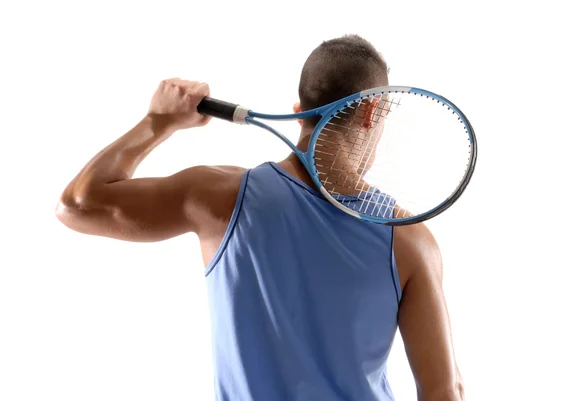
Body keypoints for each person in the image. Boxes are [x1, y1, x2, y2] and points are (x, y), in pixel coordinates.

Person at [56, 35, 464, 401]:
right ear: (373, 111)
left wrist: (158, 122)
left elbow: (77, 205)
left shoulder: (219, 197)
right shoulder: (409, 241)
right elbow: (445, 392)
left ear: (299, 111)